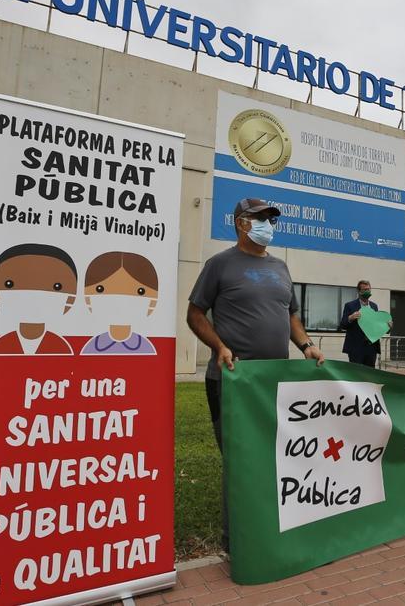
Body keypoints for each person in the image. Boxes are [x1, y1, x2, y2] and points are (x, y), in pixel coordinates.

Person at [186, 198, 325, 552]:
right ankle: (237, 542)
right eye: (261, 218)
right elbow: (196, 314)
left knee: (273, 456)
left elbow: (290, 315)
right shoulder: (219, 265)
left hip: (272, 382)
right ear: (241, 223)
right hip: (234, 380)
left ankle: (269, 526)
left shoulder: (280, 267)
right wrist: (219, 346)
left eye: (271, 219)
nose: (269, 224)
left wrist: (306, 344)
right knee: (239, 458)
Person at [0, 243, 77, 355]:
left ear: (71, 299)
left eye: (57, 286)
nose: (34, 294)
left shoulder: (63, 348)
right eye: (9, 284)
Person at [81, 252, 158, 355]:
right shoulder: (91, 347)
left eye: (140, 291)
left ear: (153, 303)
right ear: (87, 299)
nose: (120, 299)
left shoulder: (147, 348)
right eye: (100, 289)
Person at [341, 280, 389, 367]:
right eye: (364, 290)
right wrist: (350, 318)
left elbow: (376, 326)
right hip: (356, 348)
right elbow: (343, 325)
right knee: (356, 374)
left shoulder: (374, 306)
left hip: (371, 348)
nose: (367, 291)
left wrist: (387, 327)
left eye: (369, 289)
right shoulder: (350, 305)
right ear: (359, 291)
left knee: (370, 375)